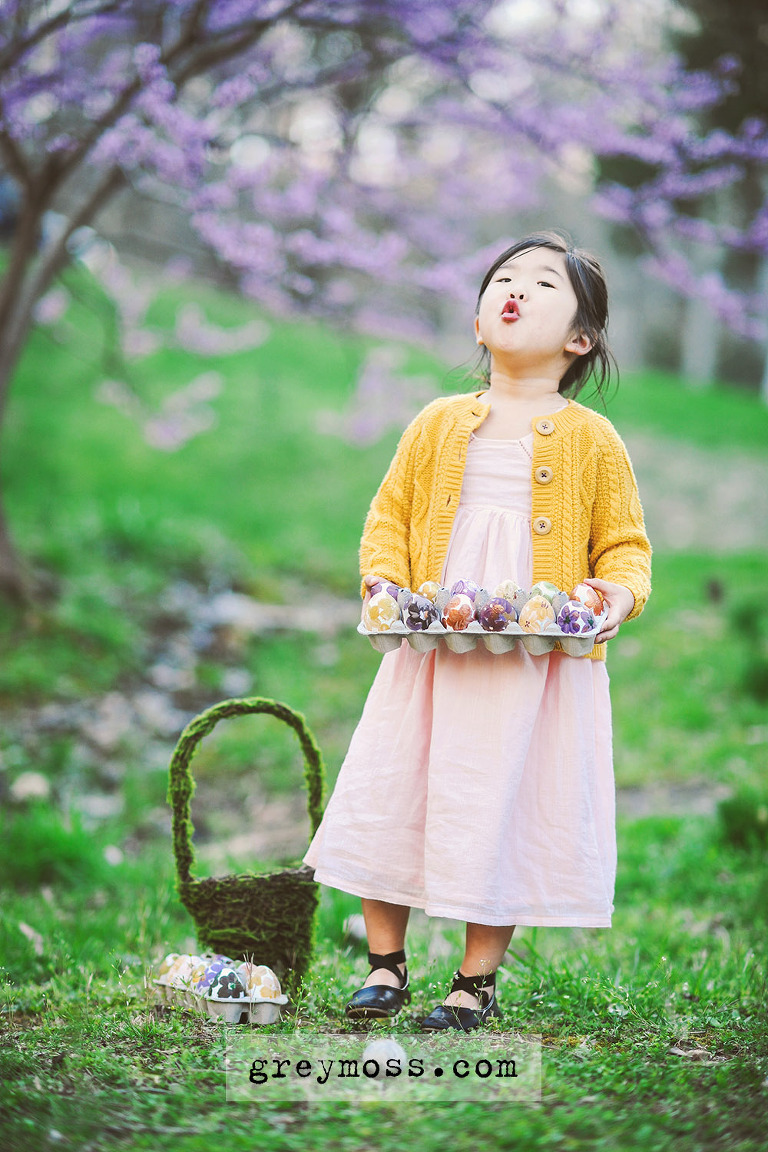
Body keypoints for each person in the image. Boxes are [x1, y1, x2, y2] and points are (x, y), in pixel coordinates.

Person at [304, 230, 652, 1032]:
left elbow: (626, 548)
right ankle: (385, 964)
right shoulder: (436, 423)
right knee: (396, 782)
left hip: (533, 664)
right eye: (502, 278)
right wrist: (386, 583)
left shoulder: (594, 441)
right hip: (430, 649)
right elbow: (388, 516)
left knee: (503, 802)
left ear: (580, 338)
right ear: (477, 319)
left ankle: (473, 979)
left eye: (540, 284)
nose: (515, 289)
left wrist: (611, 599)